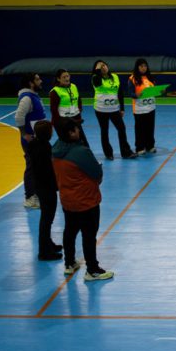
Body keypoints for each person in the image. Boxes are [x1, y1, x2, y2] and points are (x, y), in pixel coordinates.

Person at [52, 119, 114, 281]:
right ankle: (92, 270)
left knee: (70, 231)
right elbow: (96, 173)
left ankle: (69, 263)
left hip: (67, 199)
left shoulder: (56, 149)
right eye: (76, 129)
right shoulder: (81, 152)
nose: (79, 131)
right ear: (71, 133)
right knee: (89, 235)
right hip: (86, 200)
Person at [28, 120, 63, 261]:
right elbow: (49, 170)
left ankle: (48, 243)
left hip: (40, 186)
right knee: (47, 219)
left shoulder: (34, 144)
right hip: (46, 187)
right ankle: (44, 251)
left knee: (46, 218)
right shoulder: (45, 148)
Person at [91, 60, 137, 159]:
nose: (103, 68)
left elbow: (120, 93)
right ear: (97, 69)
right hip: (101, 110)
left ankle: (126, 152)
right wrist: (97, 70)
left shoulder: (115, 77)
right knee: (104, 131)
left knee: (121, 128)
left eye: (104, 65)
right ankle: (108, 154)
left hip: (114, 109)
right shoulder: (95, 78)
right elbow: (98, 83)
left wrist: (122, 108)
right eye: (100, 67)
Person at [15, 72, 46, 208]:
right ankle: (29, 198)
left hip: (38, 139)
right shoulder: (27, 98)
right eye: (38, 79)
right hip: (31, 140)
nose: (41, 81)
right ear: (30, 83)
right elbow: (18, 116)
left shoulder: (33, 96)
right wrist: (24, 134)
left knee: (38, 167)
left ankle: (37, 194)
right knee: (32, 168)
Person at [49, 69, 89, 147]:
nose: (67, 79)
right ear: (58, 79)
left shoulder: (74, 86)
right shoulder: (55, 91)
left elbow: (78, 99)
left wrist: (79, 111)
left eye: (67, 76)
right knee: (68, 144)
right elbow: (53, 110)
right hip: (63, 122)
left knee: (83, 143)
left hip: (75, 119)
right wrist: (60, 123)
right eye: (64, 77)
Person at [128, 58, 158, 154]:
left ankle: (150, 146)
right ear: (137, 67)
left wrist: (159, 91)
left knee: (150, 128)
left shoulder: (150, 77)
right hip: (139, 109)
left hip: (151, 107)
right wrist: (136, 95)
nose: (144, 68)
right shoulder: (132, 78)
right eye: (141, 66)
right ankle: (140, 147)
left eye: (145, 66)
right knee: (140, 129)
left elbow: (154, 90)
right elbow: (130, 93)